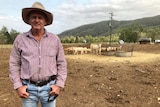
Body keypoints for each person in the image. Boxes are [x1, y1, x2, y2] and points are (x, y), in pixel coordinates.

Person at [9, 2, 67, 107]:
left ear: (45, 21)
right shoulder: (20, 39)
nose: (37, 20)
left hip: (49, 88)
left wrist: (58, 85)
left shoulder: (54, 39)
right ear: (29, 20)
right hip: (28, 89)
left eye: (40, 17)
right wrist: (18, 86)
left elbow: (61, 63)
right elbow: (14, 64)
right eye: (34, 17)